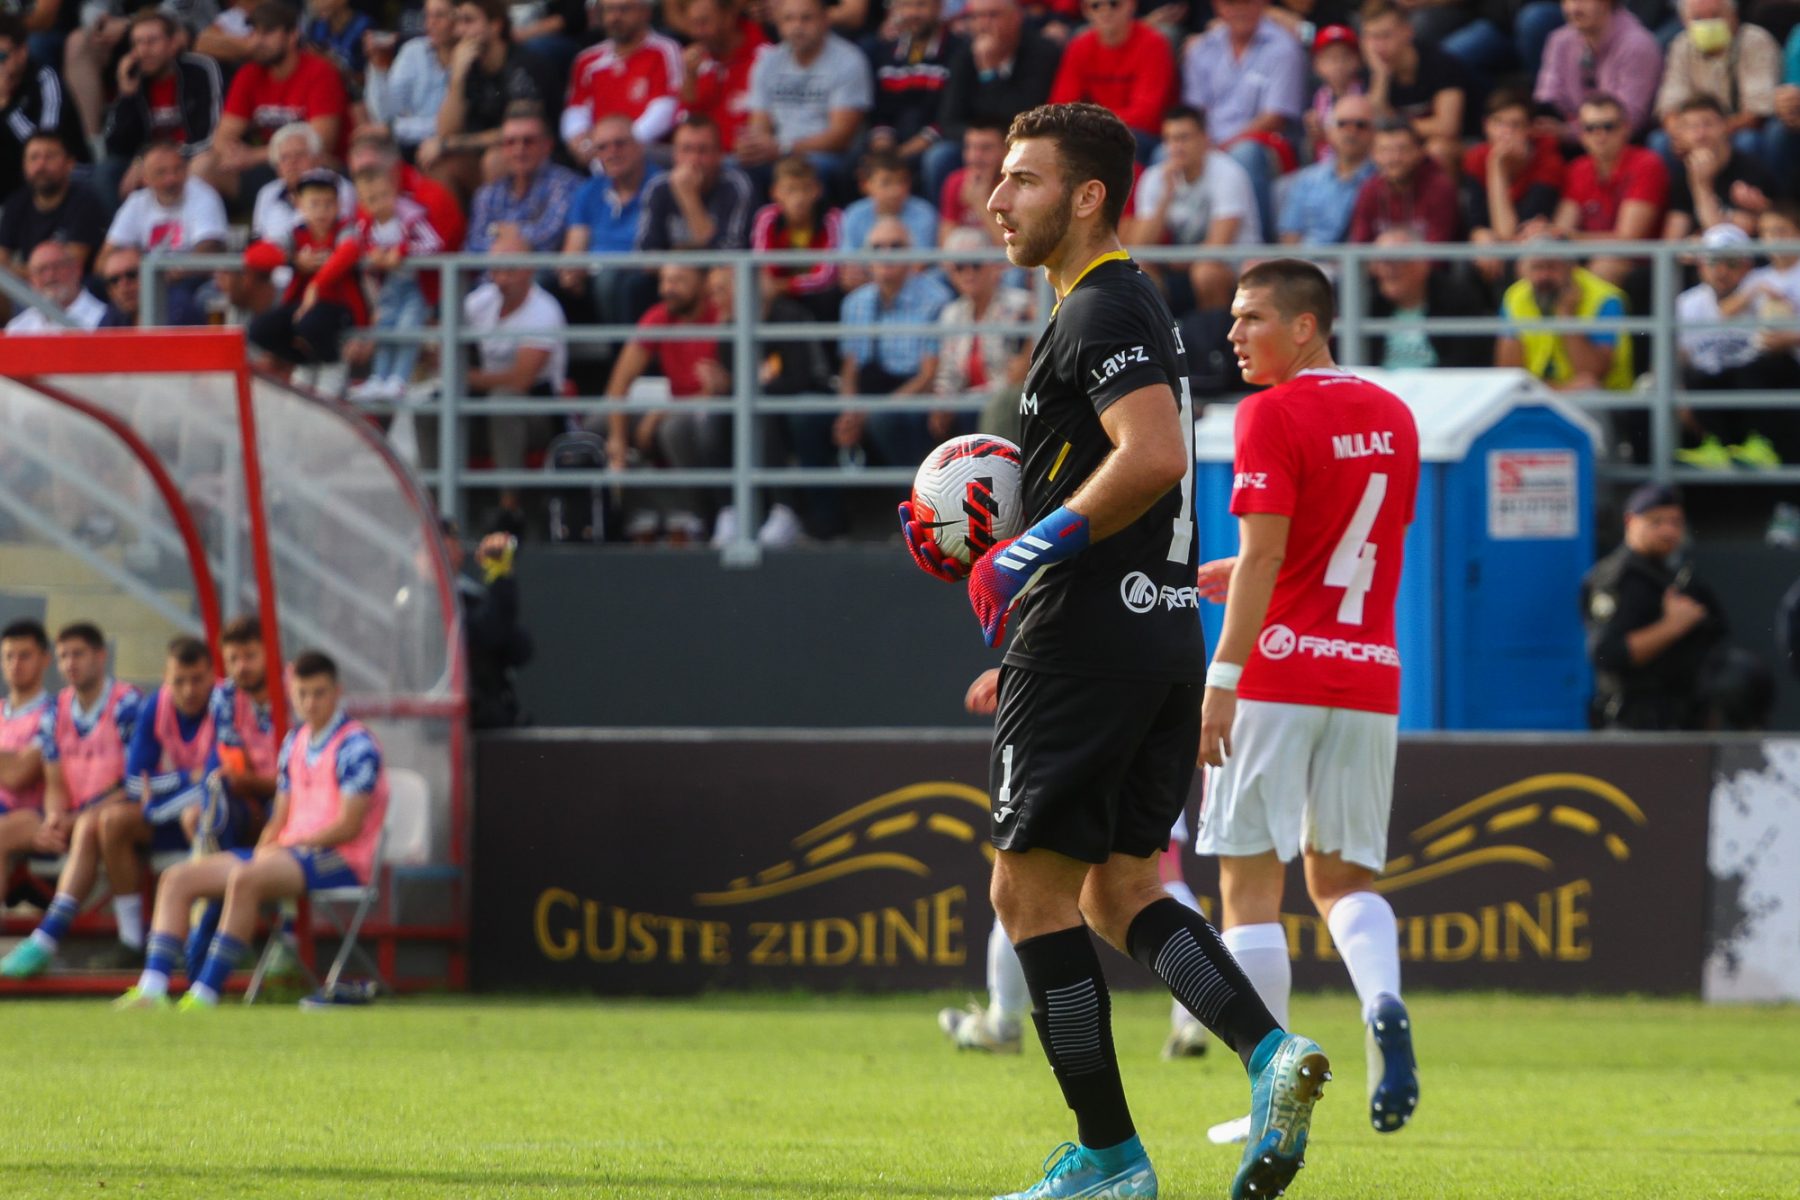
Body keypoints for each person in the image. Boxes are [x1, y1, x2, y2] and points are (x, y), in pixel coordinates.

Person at [896, 102, 1327, 1200]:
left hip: (1085, 638)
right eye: (999, 177)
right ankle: (1270, 1053)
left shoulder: (1099, 307)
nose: (997, 200)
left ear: (1088, 197)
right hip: (1159, 634)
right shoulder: (1120, 308)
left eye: (1024, 180)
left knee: (1027, 897)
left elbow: (1156, 453)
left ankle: (1108, 1159)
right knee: (1120, 889)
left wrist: (1023, 550)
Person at [1193, 256, 1421, 1148]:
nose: (1234, 335)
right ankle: (1383, 1001)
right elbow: (1349, 545)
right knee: (1343, 881)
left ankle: (1272, 1090)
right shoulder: (1394, 415)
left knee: (1248, 883)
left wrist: (1221, 680)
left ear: (1305, 326)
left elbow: (1265, 552)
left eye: (1251, 318)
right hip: (1368, 672)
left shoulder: (1269, 413)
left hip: (1277, 675)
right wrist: (1262, 572)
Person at [939, 666, 1222, 1060]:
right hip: (1154, 713)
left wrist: (1027, 667)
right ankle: (1195, 1018)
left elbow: (1084, 634)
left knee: (1029, 882)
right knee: (1160, 878)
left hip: (1084, 717)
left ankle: (1003, 1023)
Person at [114, 649, 387, 1009]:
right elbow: (281, 817)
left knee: (247, 877)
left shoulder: (357, 745)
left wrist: (283, 848)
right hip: (290, 853)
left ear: (338, 692)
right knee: (178, 878)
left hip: (340, 858)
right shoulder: (295, 741)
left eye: (319, 693)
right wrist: (265, 849)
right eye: (302, 694)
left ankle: (204, 995)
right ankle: (152, 990)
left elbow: (349, 826)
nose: (310, 703)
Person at [0, 622, 141, 980]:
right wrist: (55, 815)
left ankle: (50, 941)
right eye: (65, 656)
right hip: (69, 818)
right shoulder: (58, 710)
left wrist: (65, 818)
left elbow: (134, 781)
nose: (70, 663)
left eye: (78, 654)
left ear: (101, 656)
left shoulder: (126, 703)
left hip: (117, 812)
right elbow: (54, 781)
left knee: (92, 824)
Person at [601, 263, 730, 543]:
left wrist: (661, 412)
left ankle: (704, 518)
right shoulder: (659, 316)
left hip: (706, 413)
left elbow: (721, 392)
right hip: (675, 409)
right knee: (598, 423)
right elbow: (618, 385)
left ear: (704, 283)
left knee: (674, 427)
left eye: (678, 280)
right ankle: (620, 520)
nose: (666, 289)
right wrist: (617, 440)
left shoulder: (721, 314)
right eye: (664, 280)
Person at [1581, 483, 1728, 729]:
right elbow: (1607, 653)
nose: (1668, 530)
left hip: (1682, 717)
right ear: (1630, 521)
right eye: (1656, 521)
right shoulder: (1616, 579)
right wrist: (1671, 626)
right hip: (1634, 721)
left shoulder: (1676, 576)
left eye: (1675, 522)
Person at [1178, 0, 1307, 243]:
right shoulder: (1202, 47)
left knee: (1245, 154)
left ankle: (1257, 249)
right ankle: (1179, 251)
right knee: (1165, 155)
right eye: (1231, 4)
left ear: (1262, 4)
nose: (1239, 10)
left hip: (1265, 142)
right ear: (1218, 7)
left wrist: (1220, 146)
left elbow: (1275, 117)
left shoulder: (1283, 46)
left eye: (1246, 2)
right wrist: (1202, 143)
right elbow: (1195, 110)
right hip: (1207, 141)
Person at [464, 225, 568, 522]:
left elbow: (520, 381)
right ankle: (435, 509)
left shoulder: (544, 311)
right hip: (484, 406)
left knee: (503, 401)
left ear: (529, 269)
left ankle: (509, 508)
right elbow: (443, 342)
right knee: (431, 409)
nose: (501, 278)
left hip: (538, 412)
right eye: (496, 270)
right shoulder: (480, 301)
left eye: (509, 270)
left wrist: (465, 377)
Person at [1673, 222, 1799, 465]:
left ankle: (1762, 445)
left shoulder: (1767, 289)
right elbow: (1679, 358)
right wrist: (1679, 395)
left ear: (1747, 266)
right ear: (1701, 265)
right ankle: (1719, 446)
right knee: (1694, 378)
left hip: (1762, 386)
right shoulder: (1687, 303)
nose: (1721, 271)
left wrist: (1756, 295)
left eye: (1731, 262)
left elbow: (1776, 342)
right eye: (1713, 261)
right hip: (1718, 391)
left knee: (1756, 370)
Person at [833, 215, 951, 470]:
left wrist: (874, 411)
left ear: (910, 253)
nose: (886, 254)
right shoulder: (854, 303)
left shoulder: (936, 299)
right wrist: (850, 412)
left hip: (913, 396)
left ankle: (910, 490)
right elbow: (849, 369)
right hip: (868, 392)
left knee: (884, 421)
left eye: (895, 246)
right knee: (811, 418)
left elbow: (929, 375)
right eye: (878, 247)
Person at [200, 2, 349, 203]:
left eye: (268, 33)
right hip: (272, 166)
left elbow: (320, 143)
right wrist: (233, 154)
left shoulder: (321, 72)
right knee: (204, 165)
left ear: (292, 35)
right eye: (254, 33)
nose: (257, 41)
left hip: (318, 167)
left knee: (307, 160)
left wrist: (253, 156)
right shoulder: (249, 74)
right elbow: (223, 137)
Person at [1121, 104, 1260, 314]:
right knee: (1138, 274)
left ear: (1204, 139)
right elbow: (1140, 247)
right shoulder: (1156, 177)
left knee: (1206, 272)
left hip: (1233, 266)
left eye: (1183, 138)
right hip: (1183, 265)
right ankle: (1159, 334)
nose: (1176, 147)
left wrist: (1178, 259)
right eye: (1169, 139)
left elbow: (1219, 246)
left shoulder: (1228, 173)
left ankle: (1214, 335)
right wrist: (1164, 198)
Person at [420, 0, 559, 204]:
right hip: (484, 158)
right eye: (458, 22)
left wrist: (448, 144)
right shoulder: (469, 66)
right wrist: (457, 77)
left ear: (495, 26)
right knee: (438, 163)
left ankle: (501, 220)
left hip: (537, 155)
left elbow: (519, 131)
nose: (459, 31)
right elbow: (446, 131)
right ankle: (454, 225)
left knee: (495, 159)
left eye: (468, 21)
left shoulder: (525, 64)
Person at [931, 0, 1061, 202]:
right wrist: (979, 142)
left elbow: (1026, 114)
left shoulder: (1042, 52)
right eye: (976, 17)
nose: (984, 24)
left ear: (1016, 17)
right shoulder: (964, 55)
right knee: (940, 156)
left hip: (1024, 140)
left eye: (993, 15)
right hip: (977, 141)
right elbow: (948, 119)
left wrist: (989, 73)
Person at [738, 0, 872, 192]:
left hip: (826, 157)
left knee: (811, 169)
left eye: (806, 18)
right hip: (778, 153)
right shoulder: (768, 61)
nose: (797, 26)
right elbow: (759, 124)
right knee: (731, 168)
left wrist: (784, 148)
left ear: (825, 19)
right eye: (788, 19)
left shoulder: (849, 60)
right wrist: (753, 146)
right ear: (778, 23)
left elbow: (841, 137)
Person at [98, 10, 224, 205]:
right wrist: (127, 95)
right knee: (107, 171)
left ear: (173, 44)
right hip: (146, 163)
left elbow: (211, 135)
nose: (144, 50)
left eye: (152, 41)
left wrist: (152, 161)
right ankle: (123, 225)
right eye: (137, 43)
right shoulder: (135, 78)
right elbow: (114, 145)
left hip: (193, 156)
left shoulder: (200, 69)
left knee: (202, 164)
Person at [342, 163, 445, 402]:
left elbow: (434, 243)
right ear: (363, 203)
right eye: (371, 199)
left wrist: (402, 252)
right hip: (388, 287)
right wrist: (373, 256)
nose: (379, 203)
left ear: (394, 190)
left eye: (383, 195)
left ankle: (399, 379)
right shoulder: (366, 226)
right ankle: (379, 378)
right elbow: (360, 250)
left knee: (407, 330)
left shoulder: (411, 216)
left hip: (417, 286)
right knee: (384, 329)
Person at [1551, 91, 1670, 287]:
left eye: (1608, 126)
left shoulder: (1646, 164)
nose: (1600, 135)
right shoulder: (1578, 168)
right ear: (1581, 134)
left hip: (1641, 264)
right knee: (1539, 262)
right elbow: (1563, 227)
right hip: (1592, 256)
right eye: (1590, 128)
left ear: (1626, 128)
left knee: (1605, 267)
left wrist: (1568, 237)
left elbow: (1628, 240)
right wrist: (1547, 233)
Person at [103, 140, 228, 324]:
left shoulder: (203, 195)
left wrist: (160, 274)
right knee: (105, 290)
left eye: (177, 170)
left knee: (177, 301)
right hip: (144, 279)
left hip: (191, 280)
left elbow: (208, 249)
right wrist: (132, 273)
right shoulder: (136, 203)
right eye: (161, 173)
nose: (171, 179)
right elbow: (105, 257)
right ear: (145, 178)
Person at [1652, 0, 1782, 170]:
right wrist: (1685, 134)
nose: (1708, 23)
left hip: (1736, 129)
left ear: (1733, 16)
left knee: (1747, 141)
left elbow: (1757, 113)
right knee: (1660, 141)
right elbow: (1669, 106)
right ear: (1684, 22)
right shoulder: (1681, 44)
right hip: (1694, 130)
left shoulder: (1755, 40)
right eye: (1698, 18)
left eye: (1715, 15)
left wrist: (1711, 134)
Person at [559, 114, 663, 322]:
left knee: (610, 280)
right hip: (594, 273)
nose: (612, 153)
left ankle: (618, 343)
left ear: (639, 146)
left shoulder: (661, 186)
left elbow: (658, 249)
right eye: (602, 147)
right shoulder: (589, 190)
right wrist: (570, 270)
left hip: (641, 272)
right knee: (546, 282)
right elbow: (575, 245)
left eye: (620, 144)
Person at [1046, 0, 1176, 162]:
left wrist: (1091, 123)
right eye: (1096, 6)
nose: (1105, 11)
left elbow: (1146, 115)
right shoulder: (1079, 47)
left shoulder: (1153, 44)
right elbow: (1061, 106)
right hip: (1095, 134)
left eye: (1114, 4)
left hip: (1144, 138)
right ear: (1085, 10)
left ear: (1131, 5)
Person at [1497, 240, 1636, 391]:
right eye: (1537, 267)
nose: (1544, 276)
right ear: (1522, 270)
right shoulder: (1515, 297)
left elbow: (1593, 374)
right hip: (1544, 392)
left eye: (1552, 267)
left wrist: (1566, 317)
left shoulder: (1605, 299)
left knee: (1589, 390)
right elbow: (1509, 373)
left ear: (1571, 268)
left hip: (1602, 397)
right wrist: (1561, 389)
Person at [560, 0, 683, 159]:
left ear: (645, 12)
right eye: (609, 10)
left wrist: (619, 145)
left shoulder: (665, 50)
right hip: (600, 156)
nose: (615, 17)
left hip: (651, 153)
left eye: (624, 9)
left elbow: (667, 107)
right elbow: (576, 110)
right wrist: (584, 144)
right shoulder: (587, 60)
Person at [1534, 0, 1663, 145]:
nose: (1573, 9)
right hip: (1574, 134)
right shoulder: (1559, 40)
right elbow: (1547, 95)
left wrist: (1568, 132)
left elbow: (1629, 119)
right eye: (1567, 1)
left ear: (1607, 2)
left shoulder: (1638, 46)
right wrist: (1546, 121)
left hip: (1621, 145)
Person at [443, 524, 535, 728]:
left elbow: (520, 649)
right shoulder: (414, 605)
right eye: (443, 551)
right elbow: (484, 632)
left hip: (485, 723)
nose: (453, 558)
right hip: (438, 730)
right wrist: (500, 578)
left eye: (453, 550)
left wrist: (499, 571)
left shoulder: (470, 597)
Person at [1367, 228, 1495, 367]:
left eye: (1395, 261)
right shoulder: (1369, 307)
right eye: (1379, 262)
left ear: (1421, 264)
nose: (1386, 270)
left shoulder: (1457, 303)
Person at [1358, 0, 1463, 168]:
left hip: (1460, 143)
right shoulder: (1373, 70)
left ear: (1407, 31)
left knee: (1437, 150)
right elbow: (1376, 124)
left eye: (1385, 36)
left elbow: (1447, 127)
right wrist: (1381, 76)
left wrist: (1397, 124)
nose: (1378, 46)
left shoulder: (1440, 62)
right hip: (1401, 146)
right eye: (1371, 37)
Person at [466, 101, 581, 253]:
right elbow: (472, 247)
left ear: (547, 145)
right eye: (510, 142)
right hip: (493, 268)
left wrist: (499, 232)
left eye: (528, 141)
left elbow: (549, 239)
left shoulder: (566, 185)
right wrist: (517, 239)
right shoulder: (487, 194)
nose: (519, 150)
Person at [864, 0, 961, 174]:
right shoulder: (883, 51)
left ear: (939, 7)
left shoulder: (957, 51)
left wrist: (904, 153)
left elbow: (950, 114)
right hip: (893, 140)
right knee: (858, 160)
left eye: (921, 5)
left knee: (937, 158)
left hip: (936, 139)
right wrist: (883, 144)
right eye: (905, 5)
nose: (912, 13)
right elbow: (879, 111)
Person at [0, 15, 89, 204]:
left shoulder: (45, 78)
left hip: (67, 173)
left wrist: (8, 108)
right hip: (16, 176)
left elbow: (47, 146)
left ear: (22, 52)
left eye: (1, 57)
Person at [1662, 95, 1779, 240]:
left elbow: (1725, 241)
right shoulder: (1682, 174)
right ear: (1681, 134)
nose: (1700, 135)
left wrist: (1702, 186)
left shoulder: (1751, 171)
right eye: (1691, 127)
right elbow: (1673, 241)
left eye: (1708, 124)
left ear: (1725, 126)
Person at [1463, 89, 1567, 247]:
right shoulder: (1476, 158)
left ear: (1530, 129)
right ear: (1486, 125)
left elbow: (1511, 234)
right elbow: (1477, 223)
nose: (1505, 133)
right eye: (1498, 123)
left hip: (1531, 246)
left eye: (1516, 125)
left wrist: (1496, 166)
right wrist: (1480, 233)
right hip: (1495, 246)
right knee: (1483, 243)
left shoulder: (1548, 161)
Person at [637, 113, 755, 251]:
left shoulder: (735, 186)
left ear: (719, 154)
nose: (694, 159)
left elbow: (729, 254)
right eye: (686, 149)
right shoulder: (659, 187)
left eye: (703, 150)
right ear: (674, 154)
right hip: (672, 265)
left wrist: (688, 196)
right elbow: (646, 253)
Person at [750, 153, 844, 322]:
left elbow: (827, 276)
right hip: (779, 296)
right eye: (790, 190)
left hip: (817, 297)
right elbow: (764, 266)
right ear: (775, 192)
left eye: (806, 189)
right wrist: (779, 286)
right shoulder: (767, 217)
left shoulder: (832, 218)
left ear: (818, 190)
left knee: (830, 296)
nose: (798, 198)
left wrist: (786, 285)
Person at [1278, 94, 1377, 249]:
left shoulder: (1384, 180)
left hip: (1358, 262)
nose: (1351, 131)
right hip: (1309, 262)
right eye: (1342, 124)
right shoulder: (1306, 180)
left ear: (1374, 132)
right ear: (1329, 130)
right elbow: (1290, 238)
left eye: (1361, 125)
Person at [0, 133, 105, 274]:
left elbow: (70, 265)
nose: (41, 165)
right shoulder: (16, 203)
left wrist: (13, 273)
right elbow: (2, 258)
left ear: (70, 164)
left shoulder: (85, 201)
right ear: (24, 165)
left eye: (50, 157)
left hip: (77, 284)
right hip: (28, 284)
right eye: (34, 157)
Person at [672, 0, 767, 155]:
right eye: (693, 24)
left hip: (745, 159)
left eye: (704, 22)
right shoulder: (696, 61)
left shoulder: (765, 58)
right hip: (700, 157)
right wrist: (690, 76)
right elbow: (686, 121)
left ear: (728, 17)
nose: (697, 32)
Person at [364, 0, 456, 158]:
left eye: (440, 16)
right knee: (367, 149)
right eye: (427, 15)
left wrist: (395, 129)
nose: (431, 23)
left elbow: (448, 126)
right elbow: (385, 115)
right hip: (407, 144)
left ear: (458, 20)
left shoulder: (469, 57)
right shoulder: (413, 50)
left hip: (449, 147)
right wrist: (378, 69)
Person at [1347, 117, 1459, 243]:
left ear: (1419, 152)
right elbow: (1360, 245)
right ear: (1374, 155)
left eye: (1402, 149)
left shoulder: (1439, 188)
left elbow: (1439, 249)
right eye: (1385, 150)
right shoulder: (1369, 190)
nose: (1394, 158)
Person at [839, 149, 938, 290]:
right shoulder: (854, 213)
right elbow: (849, 268)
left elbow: (918, 266)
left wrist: (879, 278)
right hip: (866, 288)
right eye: (886, 183)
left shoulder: (924, 213)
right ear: (866, 185)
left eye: (902, 181)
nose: (896, 190)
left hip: (913, 286)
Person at [0, 619, 53, 871]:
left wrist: (14, 764)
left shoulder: (53, 714)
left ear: (45, 659)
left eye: (24, 656)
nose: (15, 664)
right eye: (9, 656)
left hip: (32, 816)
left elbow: (18, 775)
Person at [5, 239, 108, 331]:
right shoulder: (18, 328)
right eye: (41, 270)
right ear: (31, 279)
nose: (50, 276)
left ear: (77, 269)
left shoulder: (104, 319)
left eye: (58, 267)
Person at [938, 118, 1007, 246]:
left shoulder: (1013, 185)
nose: (975, 156)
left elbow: (1014, 249)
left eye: (986, 148)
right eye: (970, 147)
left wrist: (980, 203)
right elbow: (945, 244)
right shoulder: (956, 181)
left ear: (1006, 151)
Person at [96, 243, 141, 324]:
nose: (123, 285)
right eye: (114, 280)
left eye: (131, 275)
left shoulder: (166, 314)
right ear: (109, 291)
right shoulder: (111, 319)